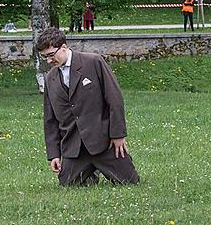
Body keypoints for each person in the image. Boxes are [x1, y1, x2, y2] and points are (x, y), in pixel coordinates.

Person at [38, 27, 139, 186]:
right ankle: (90, 172)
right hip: (73, 148)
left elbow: (115, 99)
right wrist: (54, 154)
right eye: (44, 57)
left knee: (130, 182)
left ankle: (99, 167)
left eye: (51, 55)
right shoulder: (50, 78)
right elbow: (50, 120)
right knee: (67, 186)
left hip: (105, 142)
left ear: (64, 47)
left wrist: (118, 135)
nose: (49, 61)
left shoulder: (94, 62)